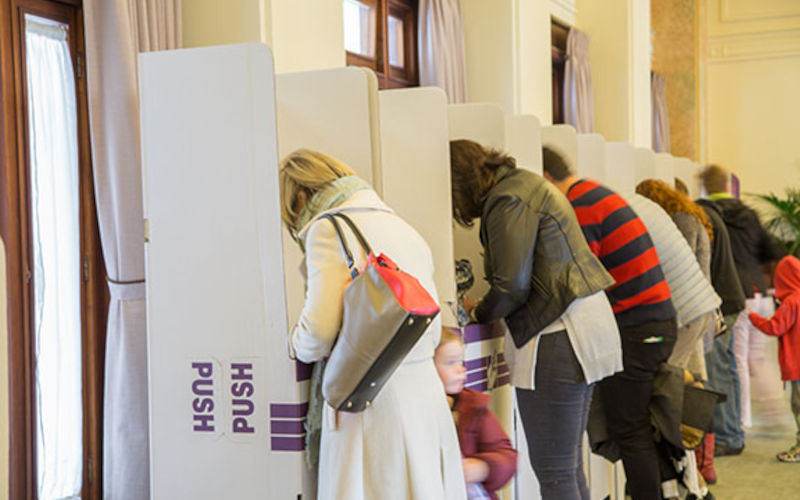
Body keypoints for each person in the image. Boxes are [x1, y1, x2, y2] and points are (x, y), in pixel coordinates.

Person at [281, 149, 466, 499]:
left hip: (371, 397)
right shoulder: (404, 227)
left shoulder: (327, 229)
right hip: (423, 394)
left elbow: (318, 334)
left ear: (301, 196)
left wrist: (292, 341)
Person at [450, 140, 622, 500]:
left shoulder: (506, 198)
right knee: (567, 466)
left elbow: (512, 285)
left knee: (555, 472)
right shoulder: (523, 183)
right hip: (579, 324)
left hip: (560, 334)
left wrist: (477, 311)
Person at [543, 147, 677, 500]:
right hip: (653, 321)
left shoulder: (579, 207)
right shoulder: (594, 193)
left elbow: (578, 276)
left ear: (545, 180)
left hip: (638, 325)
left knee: (630, 430)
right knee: (636, 429)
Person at [698, 165, 784, 437]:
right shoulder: (749, 214)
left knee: (737, 360)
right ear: (727, 185)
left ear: (705, 187)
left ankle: (742, 420)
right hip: (759, 292)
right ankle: (774, 411)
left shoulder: (708, 215)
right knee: (758, 358)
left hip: (733, 294)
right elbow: (771, 250)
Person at [679, 177, 746, 481]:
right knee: (726, 371)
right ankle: (730, 434)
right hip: (729, 301)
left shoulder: (692, 219)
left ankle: (725, 440)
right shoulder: (706, 215)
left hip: (716, 306)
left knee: (714, 376)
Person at [636, 179, 717, 379]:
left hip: (689, 307)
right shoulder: (690, 216)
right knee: (687, 373)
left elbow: (681, 259)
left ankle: (688, 411)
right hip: (699, 304)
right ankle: (695, 410)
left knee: (673, 375)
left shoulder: (682, 219)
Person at [434, 328, 518, 499]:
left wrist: (483, 467)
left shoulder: (473, 406)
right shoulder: (418, 415)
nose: (460, 370)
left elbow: (507, 456)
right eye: (450, 363)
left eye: (460, 362)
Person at [749, 255, 800, 462]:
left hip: (797, 365)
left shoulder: (791, 302)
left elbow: (775, 326)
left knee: (798, 406)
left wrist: (753, 317)